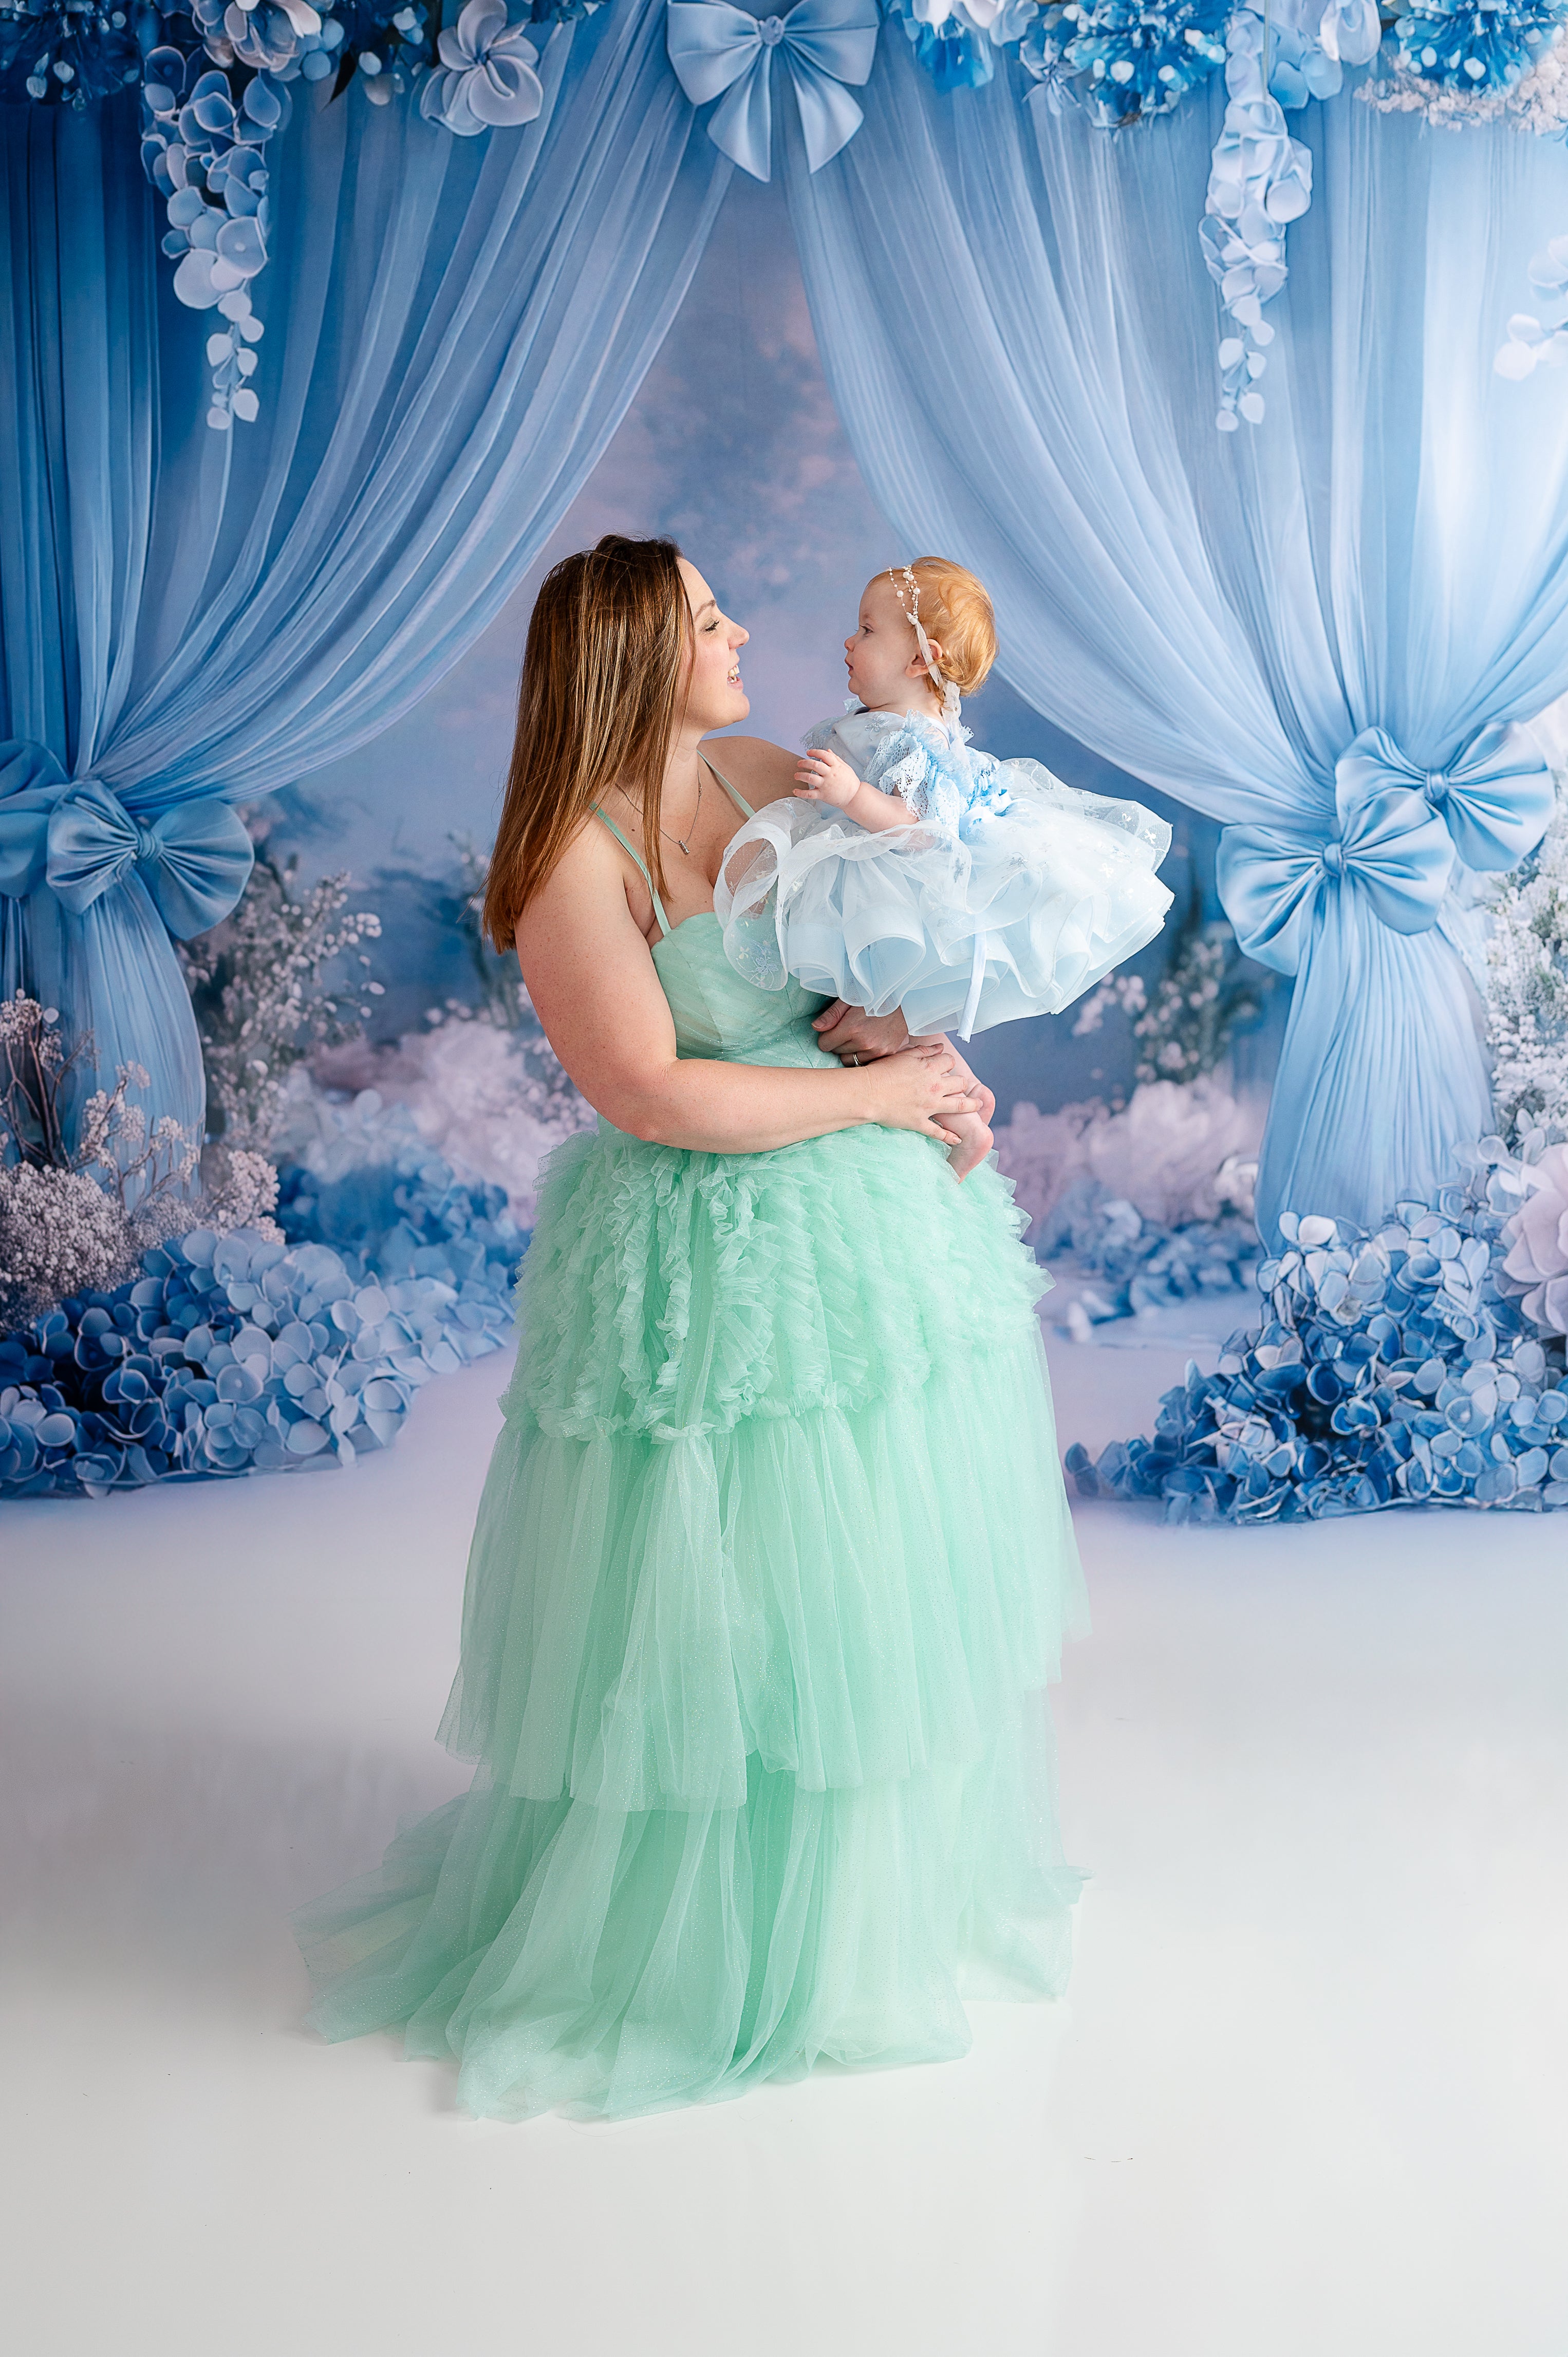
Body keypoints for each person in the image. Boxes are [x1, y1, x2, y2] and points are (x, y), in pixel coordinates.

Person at [292, 535, 1087, 2124]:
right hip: (701, 1243)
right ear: (635, 655)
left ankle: (861, 1904)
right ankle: (702, 1930)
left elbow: (865, 955)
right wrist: (869, 1090)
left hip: (854, 1226)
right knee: (718, 1577)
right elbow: (650, 1089)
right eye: (708, 617)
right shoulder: (568, 866)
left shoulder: (757, 769)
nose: (741, 632)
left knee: (865, 1576)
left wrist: (924, 1058)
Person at [714, 559, 1174, 1164]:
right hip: (886, 878)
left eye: (868, 630)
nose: (849, 642)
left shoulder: (913, 740)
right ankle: (965, 1101)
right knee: (892, 1014)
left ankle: (962, 1117)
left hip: (904, 886)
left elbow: (923, 829)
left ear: (919, 659)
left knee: (888, 1010)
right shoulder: (897, 723)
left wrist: (853, 796)